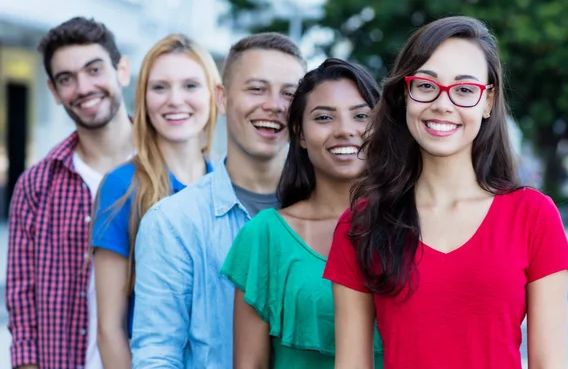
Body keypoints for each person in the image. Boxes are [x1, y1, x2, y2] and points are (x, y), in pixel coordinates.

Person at [323, 16, 568, 369]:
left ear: (488, 101)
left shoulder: (533, 215)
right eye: (426, 85)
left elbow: (549, 365)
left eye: (464, 89)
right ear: (405, 95)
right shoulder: (363, 223)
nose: (443, 104)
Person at [130, 32, 306, 368]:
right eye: (257, 88)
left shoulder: (333, 215)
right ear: (222, 99)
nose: (274, 104)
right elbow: (157, 353)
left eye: (289, 93)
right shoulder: (172, 222)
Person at [220, 58, 384, 368]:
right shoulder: (265, 235)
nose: (345, 130)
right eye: (324, 117)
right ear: (301, 134)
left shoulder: (417, 225)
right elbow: (249, 363)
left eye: (361, 116)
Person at [6, 17, 135, 369]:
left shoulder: (165, 172)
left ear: (121, 70)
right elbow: (21, 299)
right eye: (66, 79)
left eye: (94, 70)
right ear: (53, 91)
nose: (83, 87)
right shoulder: (36, 184)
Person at [90, 34, 221, 369]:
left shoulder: (226, 183)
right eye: (160, 87)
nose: (175, 100)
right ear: (143, 99)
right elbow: (110, 329)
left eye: (190, 86)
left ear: (214, 95)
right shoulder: (121, 186)